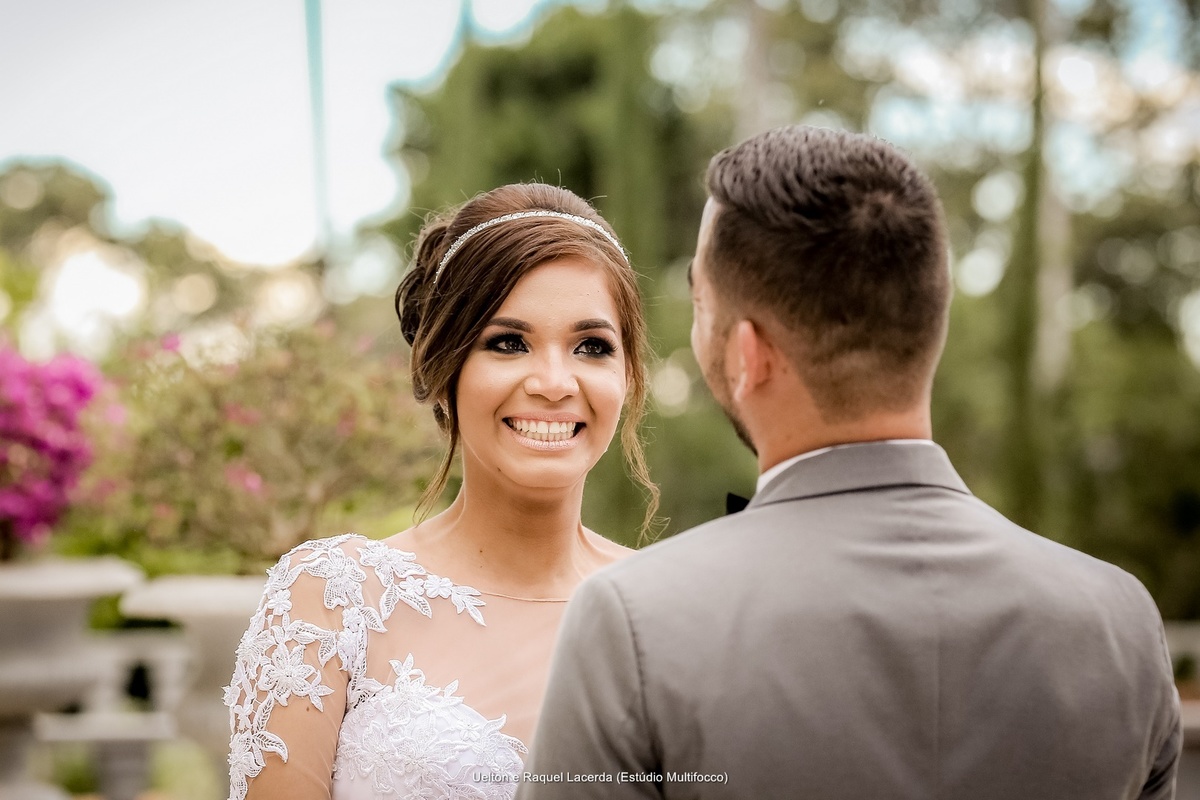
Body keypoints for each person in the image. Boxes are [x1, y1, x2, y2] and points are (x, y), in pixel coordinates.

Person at [519, 126, 1181, 799]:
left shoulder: (634, 623)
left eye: (700, 305)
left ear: (749, 354)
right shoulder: (1119, 621)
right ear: (929, 323)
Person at [224, 183, 657, 799]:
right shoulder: (330, 606)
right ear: (443, 367)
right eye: (508, 343)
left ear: (628, 375)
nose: (555, 383)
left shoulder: (672, 614)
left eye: (592, 347)